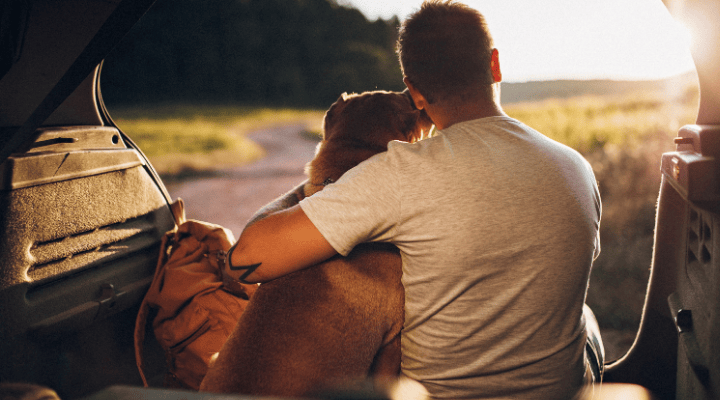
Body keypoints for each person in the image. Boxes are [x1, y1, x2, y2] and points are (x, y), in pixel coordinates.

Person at [226, 1, 602, 399]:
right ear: (495, 65)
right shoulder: (577, 167)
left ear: (416, 91)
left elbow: (243, 263)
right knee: (586, 317)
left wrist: (317, 189)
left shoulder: (399, 175)